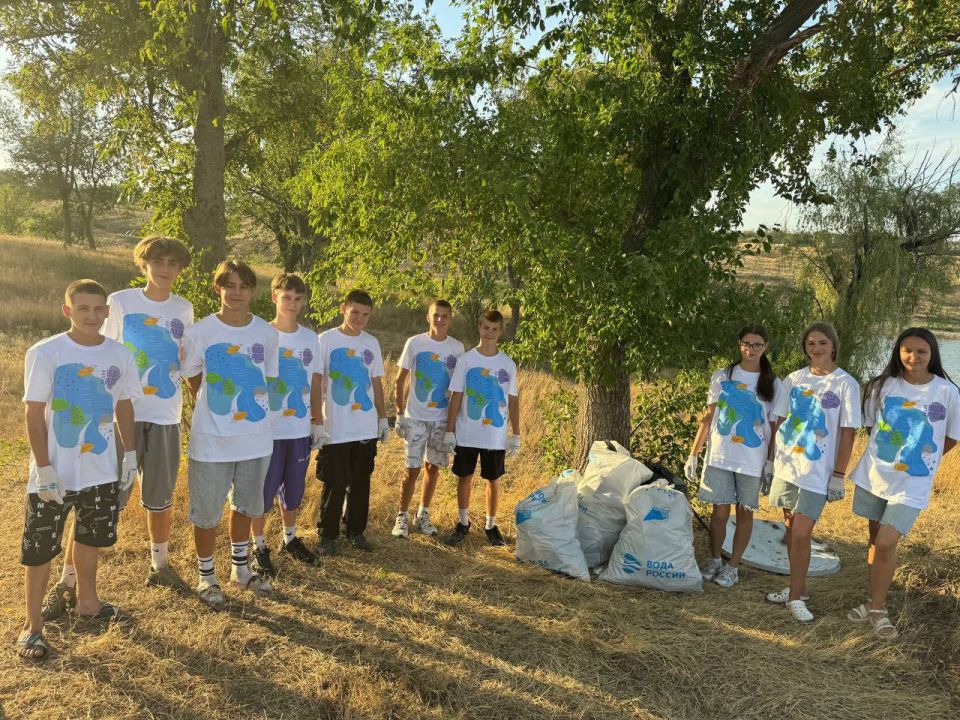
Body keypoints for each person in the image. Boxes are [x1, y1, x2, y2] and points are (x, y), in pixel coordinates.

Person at [17, 280, 142, 660]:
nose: (91, 315)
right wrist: (43, 467)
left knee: (90, 538)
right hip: (54, 473)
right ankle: (32, 627)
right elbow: (33, 412)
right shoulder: (46, 352)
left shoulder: (120, 354)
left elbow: (123, 404)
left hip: (100, 471)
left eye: (98, 308)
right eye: (83, 308)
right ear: (67, 310)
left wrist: (130, 455)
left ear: (107, 311)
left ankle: (88, 603)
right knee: (40, 549)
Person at [846, 328, 959, 639]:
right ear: (898, 351)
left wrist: (919, 459)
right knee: (874, 540)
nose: (913, 357)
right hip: (875, 476)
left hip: (912, 483)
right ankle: (873, 599)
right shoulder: (881, 386)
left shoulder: (947, 392)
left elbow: (950, 437)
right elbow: (872, 428)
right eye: (907, 350)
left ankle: (878, 611)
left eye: (921, 351)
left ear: (932, 354)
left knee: (886, 542)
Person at [181, 259, 280, 608]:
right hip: (211, 441)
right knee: (207, 512)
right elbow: (192, 375)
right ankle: (207, 578)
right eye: (230, 285)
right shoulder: (200, 332)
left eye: (244, 286)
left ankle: (241, 570)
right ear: (218, 288)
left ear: (253, 291)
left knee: (246, 506)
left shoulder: (267, 334)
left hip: (256, 439)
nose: (237, 292)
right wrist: (213, 402)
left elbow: (265, 380)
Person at [764, 321, 861, 622]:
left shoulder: (846, 384)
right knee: (790, 529)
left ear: (833, 346)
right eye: (810, 343)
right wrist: (771, 461)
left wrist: (838, 475)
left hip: (817, 473)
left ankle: (795, 599)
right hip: (787, 467)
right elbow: (779, 421)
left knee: (802, 533)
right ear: (805, 348)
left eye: (822, 342)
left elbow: (848, 432)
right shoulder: (793, 379)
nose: (816, 348)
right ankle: (799, 588)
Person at [686, 324, 779, 587]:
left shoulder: (773, 382)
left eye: (757, 345)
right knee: (719, 513)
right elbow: (709, 417)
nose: (751, 349)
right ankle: (715, 559)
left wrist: (771, 461)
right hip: (721, 456)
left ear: (765, 347)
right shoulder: (722, 376)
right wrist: (694, 453)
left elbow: (775, 426)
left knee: (744, 513)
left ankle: (733, 566)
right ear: (740, 344)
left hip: (752, 460)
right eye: (747, 343)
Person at [249, 273, 324, 576]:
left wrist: (317, 420)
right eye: (286, 297)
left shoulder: (310, 338)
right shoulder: (260, 333)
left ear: (303, 301)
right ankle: (258, 546)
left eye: (297, 298)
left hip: (298, 428)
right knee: (261, 492)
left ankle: (289, 539)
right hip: (266, 430)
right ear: (274, 298)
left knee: (293, 488)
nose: (292, 303)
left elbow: (315, 380)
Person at [315, 289, 389, 557]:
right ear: (343, 309)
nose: (359, 318)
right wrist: (316, 420)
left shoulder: (371, 343)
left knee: (361, 480)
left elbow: (376, 383)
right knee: (334, 482)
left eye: (365, 315)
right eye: (355, 312)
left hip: (365, 425)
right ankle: (327, 535)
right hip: (335, 426)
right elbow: (316, 382)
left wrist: (382, 417)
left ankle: (356, 531)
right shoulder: (325, 340)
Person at [442, 309, 521, 547]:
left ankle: (491, 525)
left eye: (494, 329)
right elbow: (456, 396)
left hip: (495, 436)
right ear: (479, 327)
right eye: (486, 327)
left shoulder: (507, 364)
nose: (489, 333)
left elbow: (513, 400)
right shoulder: (466, 360)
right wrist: (449, 431)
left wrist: (516, 433)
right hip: (467, 433)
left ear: (500, 332)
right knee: (464, 477)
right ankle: (463, 522)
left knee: (492, 480)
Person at [391, 300, 465, 538]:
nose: (440, 320)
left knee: (433, 467)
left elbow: (459, 388)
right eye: (436, 315)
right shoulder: (415, 343)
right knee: (411, 469)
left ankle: (422, 514)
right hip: (415, 418)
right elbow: (400, 379)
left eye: (445, 316)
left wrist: (453, 426)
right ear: (428, 317)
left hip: (441, 420)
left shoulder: (457, 348)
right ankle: (402, 516)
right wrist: (399, 414)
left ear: (451, 319)